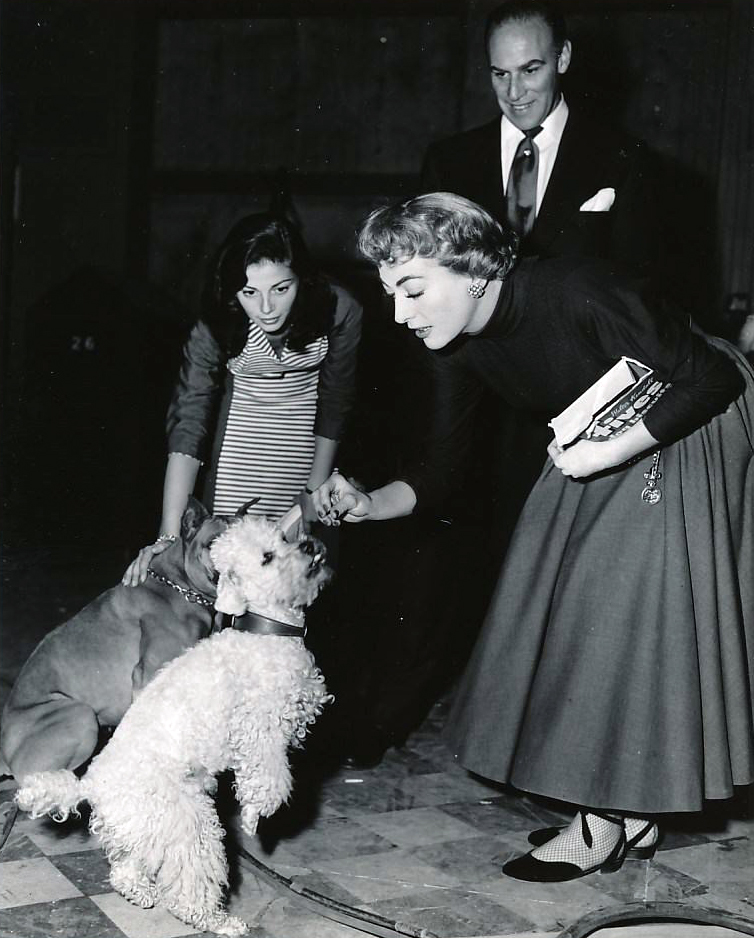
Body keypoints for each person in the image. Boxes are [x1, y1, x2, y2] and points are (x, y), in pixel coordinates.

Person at [312, 192, 754, 882]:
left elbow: (712, 375)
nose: (401, 314)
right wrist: (367, 505)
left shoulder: (576, 289)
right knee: (553, 592)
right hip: (602, 431)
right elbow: (442, 470)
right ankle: (628, 814)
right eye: (391, 293)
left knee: (616, 610)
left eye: (414, 289)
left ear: (475, 270)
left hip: (694, 416)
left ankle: (602, 821)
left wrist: (604, 456)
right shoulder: (453, 345)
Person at [123, 212, 362, 585]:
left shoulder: (339, 309)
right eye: (250, 292)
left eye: (281, 289)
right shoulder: (216, 321)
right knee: (228, 573)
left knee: (294, 578)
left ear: (303, 280)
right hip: (238, 449)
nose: (266, 308)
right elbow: (190, 418)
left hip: (306, 445)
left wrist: (311, 496)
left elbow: (336, 402)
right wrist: (169, 536)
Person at [420, 0, 659, 276]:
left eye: (530, 70)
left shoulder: (625, 158)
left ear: (563, 57)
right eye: (500, 74)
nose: (513, 92)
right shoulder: (447, 161)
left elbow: (637, 288)